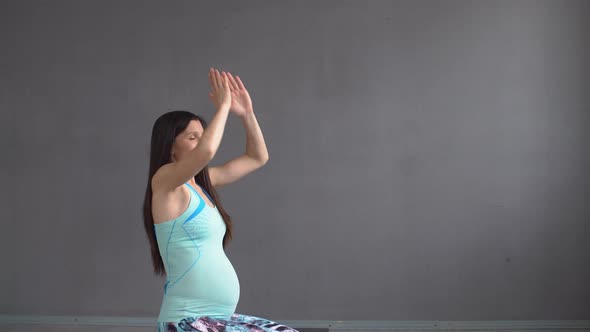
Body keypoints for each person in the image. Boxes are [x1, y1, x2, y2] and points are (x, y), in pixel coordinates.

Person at [142, 68, 299, 332]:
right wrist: (223, 107)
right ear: (170, 146)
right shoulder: (165, 182)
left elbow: (257, 157)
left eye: (202, 136)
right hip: (186, 321)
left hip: (217, 319)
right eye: (192, 137)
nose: (202, 142)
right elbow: (207, 151)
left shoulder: (203, 184)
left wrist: (246, 114)